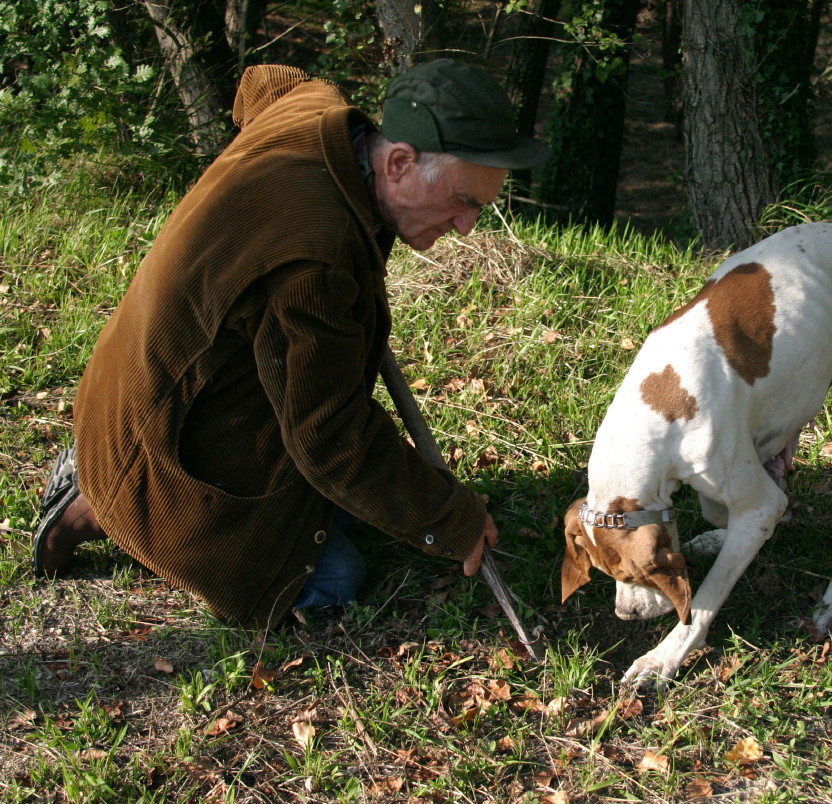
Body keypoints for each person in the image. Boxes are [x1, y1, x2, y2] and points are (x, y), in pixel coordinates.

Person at [31, 59, 549, 626]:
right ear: (398, 162)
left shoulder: (318, 112)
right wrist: (449, 518)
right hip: (155, 433)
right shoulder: (315, 258)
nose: (466, 226)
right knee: (330, 577)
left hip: (139, 385)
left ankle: (109, 470)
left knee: (356, 504)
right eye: (463, 201)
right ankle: (103, 502)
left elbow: (267, 83)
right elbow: (327, 435)